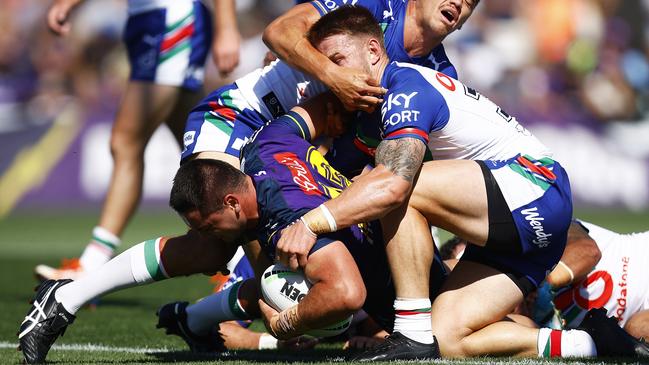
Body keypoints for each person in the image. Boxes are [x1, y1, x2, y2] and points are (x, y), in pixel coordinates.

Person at [274, 6, 649, 359]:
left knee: (395, 185)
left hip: (535, 186)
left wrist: (311, 222)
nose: (332, 76)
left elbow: (391, 186)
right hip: (520, 225)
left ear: (374, 50)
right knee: (450, 337)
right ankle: (591, 343)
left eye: (337, 62)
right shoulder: (380, 107)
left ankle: (411, 334)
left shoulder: (405, 86)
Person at [17, 95, 447, 363]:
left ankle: (183, 318)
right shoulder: (268, 145)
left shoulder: (282, 214)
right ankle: (76, 297)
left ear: (231, 202)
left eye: (211, 224)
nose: (214, 234)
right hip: (236, 118)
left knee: (261, 273)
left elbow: (344, 293)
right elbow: (320, 107)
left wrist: (285, 325)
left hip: (241, 125)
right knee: (238, 262)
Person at [36, 0, 241, 280]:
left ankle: (91, 264)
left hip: (171, 19)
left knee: (125, 141)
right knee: (200, 145)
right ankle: (242, 257)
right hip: (146, 20)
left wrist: (227, 27)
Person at [533, 220, 649, 340]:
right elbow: (638, 328)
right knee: (638, 330)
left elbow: (589, 252)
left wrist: (542, 285)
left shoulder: (545, 229)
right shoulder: (521, 319)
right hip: (640, 313)